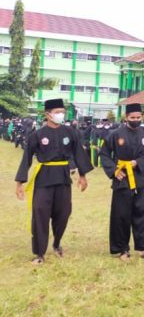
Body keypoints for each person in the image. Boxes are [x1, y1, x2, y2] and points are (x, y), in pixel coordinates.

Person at [14, 98, 93, 264]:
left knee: (63, 213)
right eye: (57, 112)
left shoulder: (70, 132)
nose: (61, 115)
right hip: (44, 178)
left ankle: (57, 243)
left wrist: (83, 175)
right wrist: (19, 182)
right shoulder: (37, 134)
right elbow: (26, 157)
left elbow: (79, 153)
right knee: (40, 213)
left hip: (63, 177)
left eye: (62, 112)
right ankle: (39, 253)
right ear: (48, 114)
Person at [99, 103, 144, 261]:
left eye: (138, 117)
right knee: (121, 214)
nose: (136, 120)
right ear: (126, 117)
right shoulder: (115, 134)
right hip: (122, 178)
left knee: (143, 211)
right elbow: (104, 153)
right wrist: (114, 170)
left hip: (140, 177)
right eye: (132, 118)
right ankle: (122, 249)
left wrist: (138, 162)